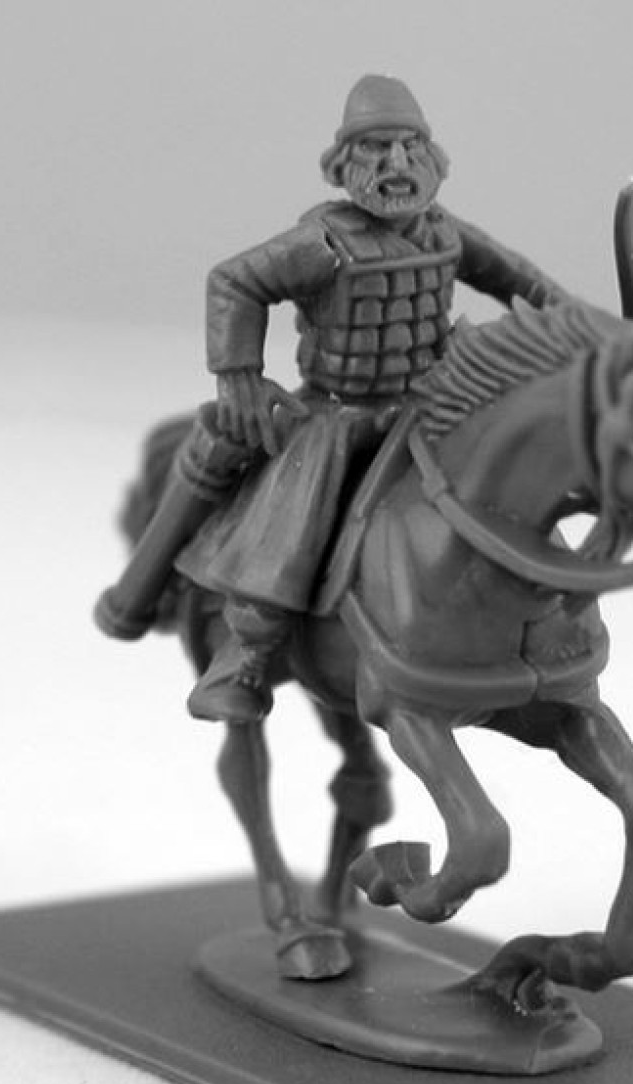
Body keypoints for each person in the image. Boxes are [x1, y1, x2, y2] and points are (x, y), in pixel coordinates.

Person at [100, 74, 569, 722]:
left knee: (517, 471)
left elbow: (526, 282)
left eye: (410, 147)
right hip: (340, 411)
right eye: (376, 148)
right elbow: (235, 281)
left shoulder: (446, 234)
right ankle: (246, 654)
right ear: (343, 164)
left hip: (431, 404)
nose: (397, 163)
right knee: (299, 510)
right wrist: (238, 375)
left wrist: (584, 328)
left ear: (434, 159)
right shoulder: (326, 242)